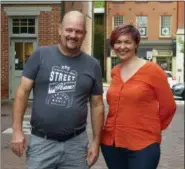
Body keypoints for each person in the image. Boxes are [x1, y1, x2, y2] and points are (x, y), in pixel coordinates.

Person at [11, 10, 104, 169]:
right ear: (60, 29)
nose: (73, 35)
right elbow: (22, 92)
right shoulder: (40, 55)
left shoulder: (92, 65)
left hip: (76, 144)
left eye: (78, 31)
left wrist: (96, 142)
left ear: (84, 34)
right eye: (69, 30)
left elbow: (97, 105)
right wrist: (17, 130)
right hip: (42, 143)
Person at [101, 24, 176, 169]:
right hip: (112, 144)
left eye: (127, 42)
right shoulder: (115, 71)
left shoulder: (153, 70)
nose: (122, 46)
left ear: (136, 44)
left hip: (143, 145)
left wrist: (151, 128)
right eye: (118, 42)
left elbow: (169, 106)